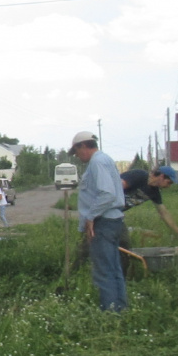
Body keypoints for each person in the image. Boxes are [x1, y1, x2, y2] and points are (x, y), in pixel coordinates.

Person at [71, 130, 127, 312]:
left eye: (77, 151)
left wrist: (90, 217)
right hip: (112, 220)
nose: (77, 156)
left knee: (104, 271)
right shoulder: (104, 160)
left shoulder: (97, 162)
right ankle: (120, 308)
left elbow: (107, 194)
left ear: (84, 146)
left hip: (103, 222)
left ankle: (110, 312)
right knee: (113, 268)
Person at [121, 165, 178, 246]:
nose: (169, 186)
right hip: (105, 209)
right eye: (169, 182)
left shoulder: (154, 193)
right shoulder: (139, 175)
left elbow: (165, 214)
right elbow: (114, 188)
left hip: (115, 215)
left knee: (124, 242)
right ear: (161, 176)